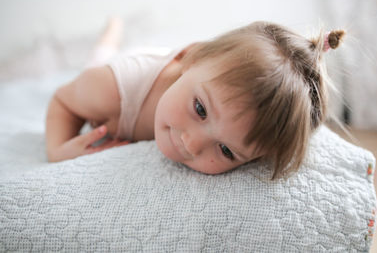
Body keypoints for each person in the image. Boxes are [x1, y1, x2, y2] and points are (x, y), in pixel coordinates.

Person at [45, 18, 345, 180]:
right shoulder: (110, 87)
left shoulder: (207, 86)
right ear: (189, 56)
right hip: (121, 71)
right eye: (200, 109)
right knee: (100, 56)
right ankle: (113, 29)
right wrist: (57, 150)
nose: (191, 144)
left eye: (227, 150)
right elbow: (62, 101)